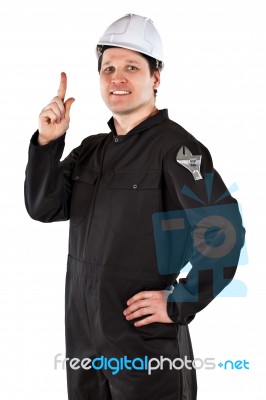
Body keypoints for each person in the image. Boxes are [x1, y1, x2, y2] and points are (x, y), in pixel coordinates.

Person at [24, 13, 245, 400]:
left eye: (131, 67)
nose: (117, 78)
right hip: (84, 341)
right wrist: (47, 143)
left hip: (144, 345)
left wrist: (180, 301)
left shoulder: (177, 149)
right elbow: (43, 207)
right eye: (108, 68)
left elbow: (223, 233)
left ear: (155, 78)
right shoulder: (91, 149)